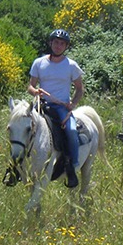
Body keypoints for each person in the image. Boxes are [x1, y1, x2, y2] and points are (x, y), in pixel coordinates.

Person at [28, 28, 85, 188]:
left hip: (60, 107)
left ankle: (72, 168)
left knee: (72, 132)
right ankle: (15, 166)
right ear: (50, 43)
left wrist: (73, 104)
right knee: (21, 126)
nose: (58, 46)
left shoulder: (71, 65)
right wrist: (35, 91)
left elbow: (80, 89)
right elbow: (30, 86)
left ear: (65, 46)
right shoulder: (39, 63)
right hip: (41, 104)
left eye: (62, 44)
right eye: (56, 42)